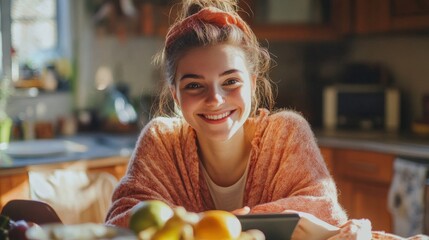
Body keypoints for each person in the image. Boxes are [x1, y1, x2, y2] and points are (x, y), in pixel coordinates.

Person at [105, 0, 365, 238]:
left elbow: (326, 217)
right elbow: (121, 222)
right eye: (194, 86)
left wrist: (212, 225)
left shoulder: (287, 133)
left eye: (230, 81)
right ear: (175, 95)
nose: (215, 99)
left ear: (252, 85)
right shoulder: (160, 141)